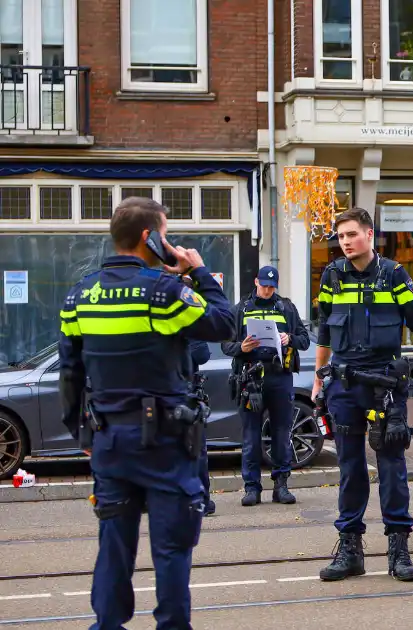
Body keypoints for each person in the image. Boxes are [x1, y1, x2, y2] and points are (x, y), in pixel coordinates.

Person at [58, 197, 236, 629]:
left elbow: (70, 374)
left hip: (110, 442)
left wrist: (84, 437)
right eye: (166, 233)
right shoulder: (165, 294)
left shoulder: (79, 296)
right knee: (171, 549)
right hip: (166, 445)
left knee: (114, 544)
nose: (169, 241)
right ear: (149, 237)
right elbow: (227, 325)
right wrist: (196, 272)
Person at [311, 207, 413, 582]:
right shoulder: (333, 275)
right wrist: (320, 381)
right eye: (340, 237)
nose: (345, 242)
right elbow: (324, 332)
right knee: (350, 468)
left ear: (369, 235)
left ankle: (399, 551)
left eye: (352, 234)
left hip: (385, 383)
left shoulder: (394, 275)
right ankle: (350, 550)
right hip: (344, 383)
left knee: (391, 467)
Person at [221, 266, 310, 506]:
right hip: (250, 379)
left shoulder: (286, 308)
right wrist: (242, 347)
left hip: (279, 377)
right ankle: (252, 488)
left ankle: (281, 486)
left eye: (272, 287)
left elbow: (304, 339)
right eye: (264, 286)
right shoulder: (240, 309)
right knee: (251, 436)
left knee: (282, 433)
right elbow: (226, 345)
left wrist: (289, 338)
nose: (268, 290)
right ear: (256, 282)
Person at [187, 338, 215, 516]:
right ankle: (200, 500)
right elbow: (202, 354)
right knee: (196, 449)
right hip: (184, 393)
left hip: (154, 395)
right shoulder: (187, 315)